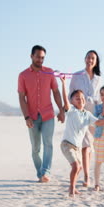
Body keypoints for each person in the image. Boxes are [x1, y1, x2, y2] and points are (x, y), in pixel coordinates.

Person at [60, 77, 104, 196]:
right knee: (76, 166)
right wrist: (63, 83)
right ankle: (71, 188)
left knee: (79, 168)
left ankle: (73, 187)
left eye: (82, 98)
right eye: (77, 98)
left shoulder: (87, 114)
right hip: (67, 144)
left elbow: (98, 123)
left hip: (77, 147)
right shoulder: (71, 111)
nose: (80, 100)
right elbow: (65, 102)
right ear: (72, 101)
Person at [18, 45, 65, 183]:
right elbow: (21, 97)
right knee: (35, 148)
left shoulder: (49, 73)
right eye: (38, 56)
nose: (40, 59)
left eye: (43, 57)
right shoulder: (23, 75)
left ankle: (46, 173)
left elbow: (56, 92)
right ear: (31, 56)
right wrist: (26, 116)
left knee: (48, 144)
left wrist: (61, 110)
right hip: (32, 116)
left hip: (48, 115)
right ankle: (40, 173)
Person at [69, 50, 103, 187]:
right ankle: (87, 177)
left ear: (96, 61)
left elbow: (101, 98)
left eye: (93, 58)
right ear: (85, 59)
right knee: (85, 145)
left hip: (94, 114)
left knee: (89, 146)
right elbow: (70, 94)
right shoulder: (77, 75)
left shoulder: (99, 79)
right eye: (88, 57)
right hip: (81, 113)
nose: (90, 60)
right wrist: (74, 109)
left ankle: (85, 174)